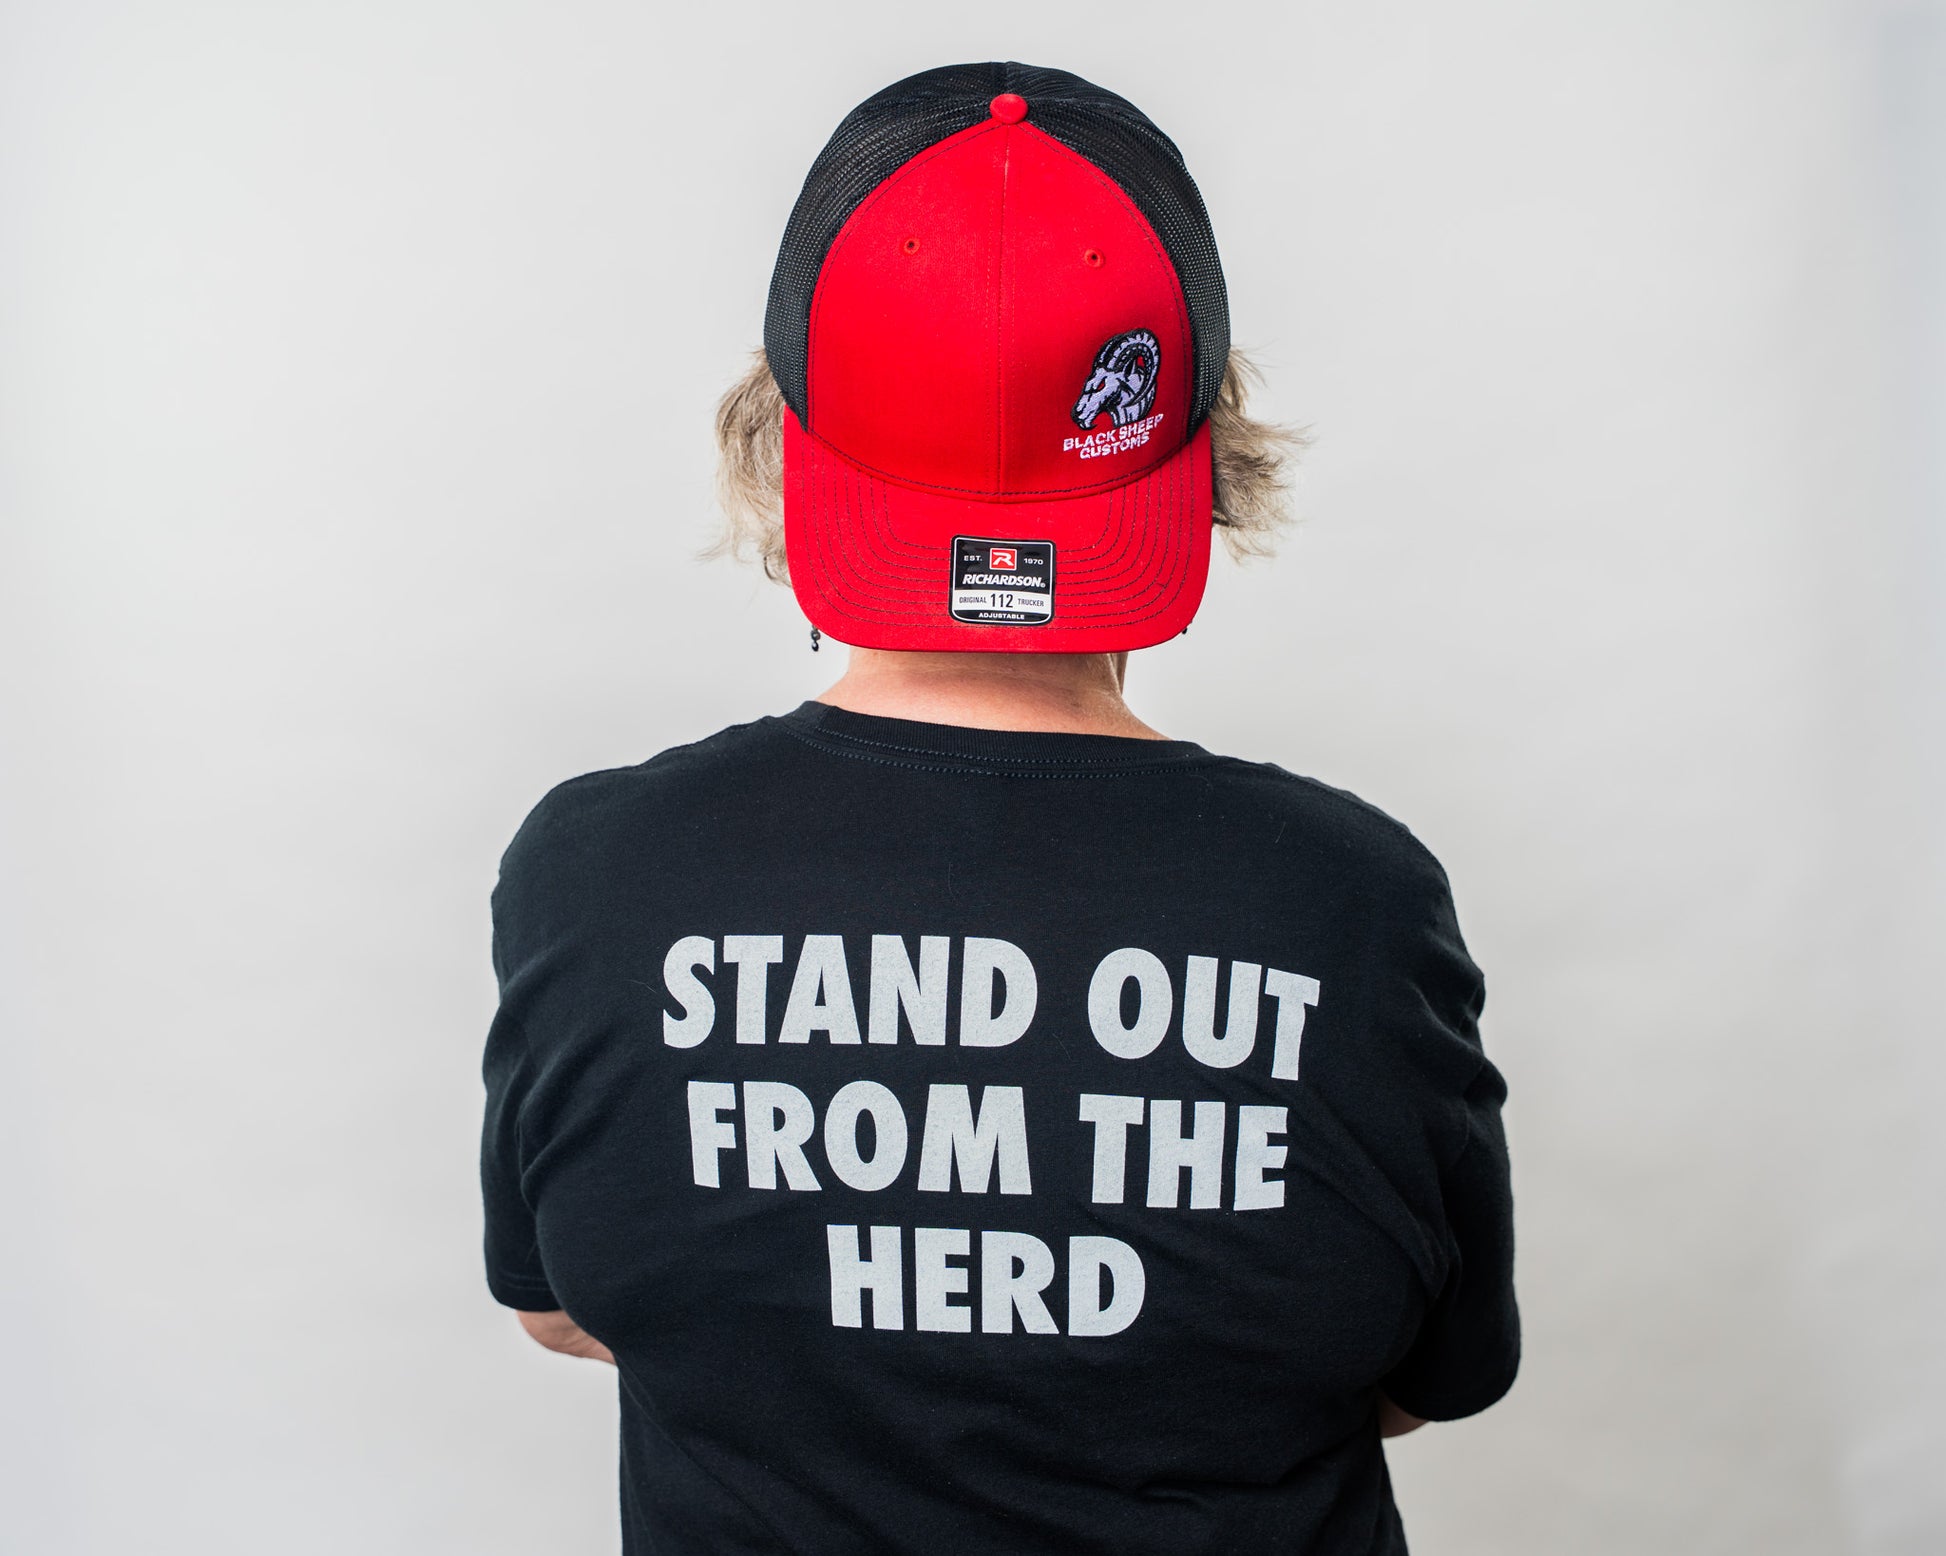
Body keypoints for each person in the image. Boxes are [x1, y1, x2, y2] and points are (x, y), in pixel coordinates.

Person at [481, 61, 1519, 1555]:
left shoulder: (594, 871)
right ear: (1205, 449)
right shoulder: (1351, 897)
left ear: (777, 437)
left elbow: (563, 1305)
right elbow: (1428, 1380)